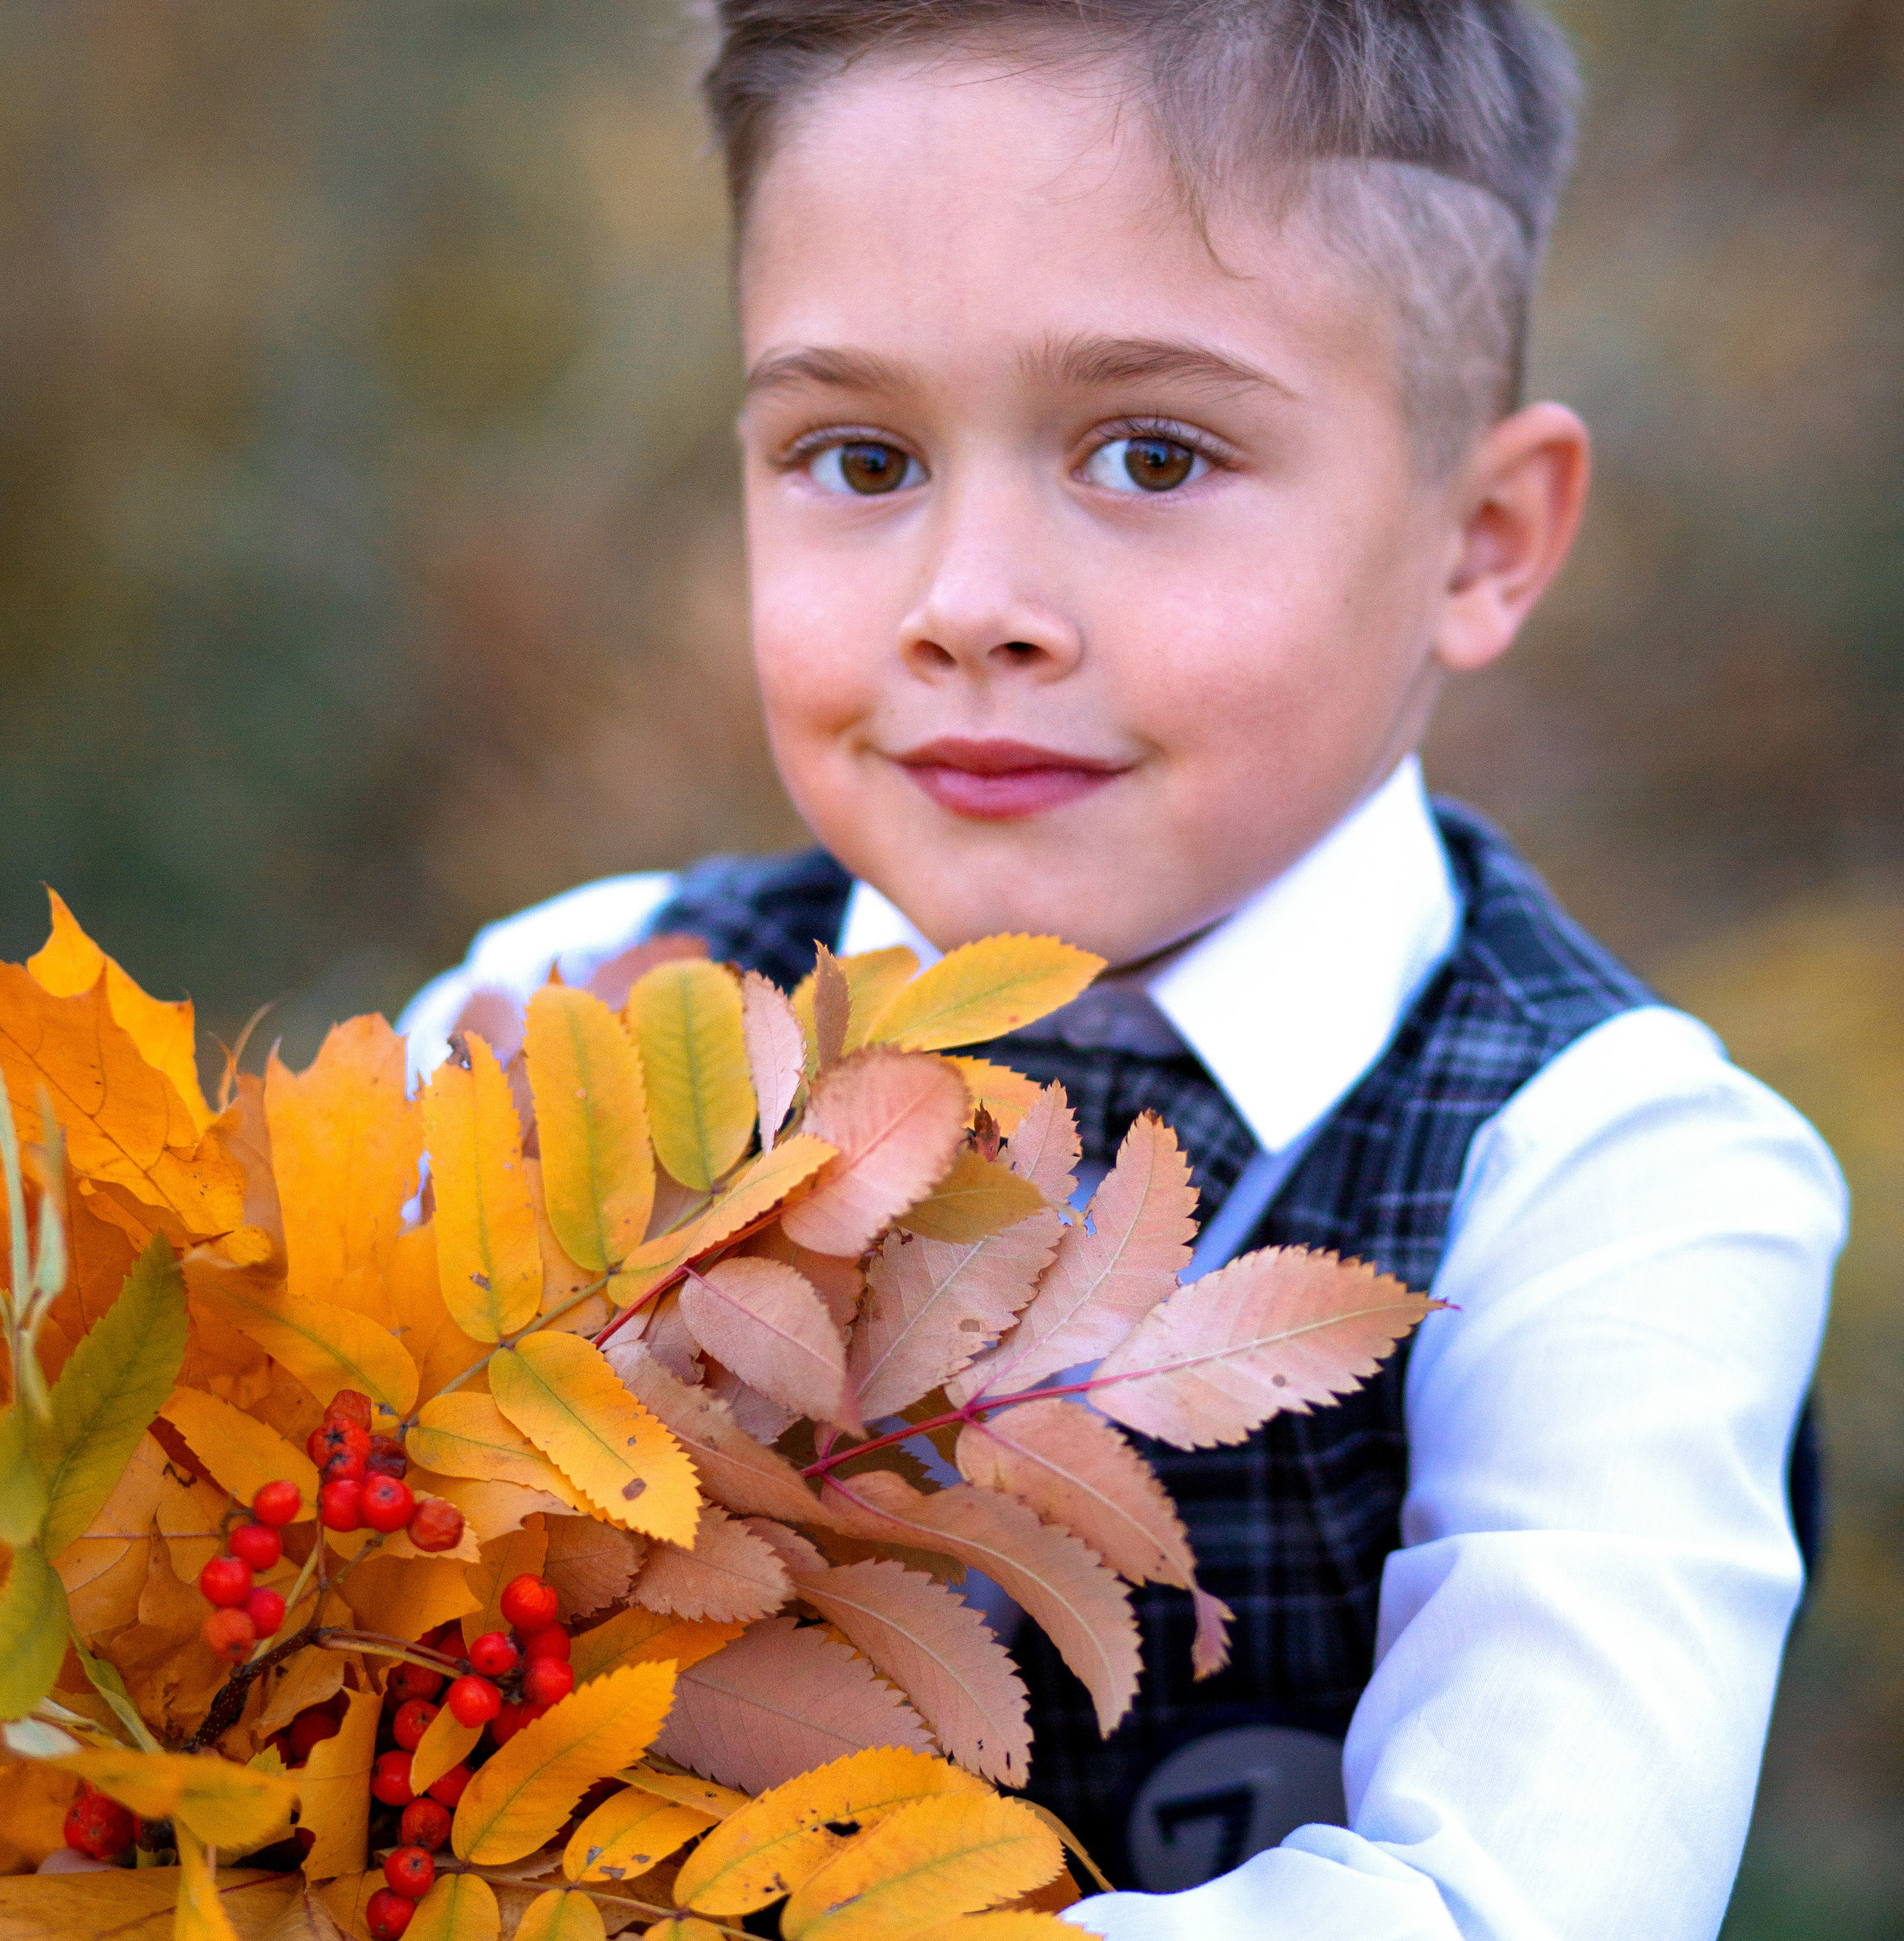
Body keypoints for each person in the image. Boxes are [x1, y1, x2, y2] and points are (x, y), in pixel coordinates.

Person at [400, 4, 1846, 1934]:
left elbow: (1505, 1902)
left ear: (1478, 542)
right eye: (854, 454)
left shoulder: (1603, 1180)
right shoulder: (581, 1006)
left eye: (1151, 454)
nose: (967, 603)